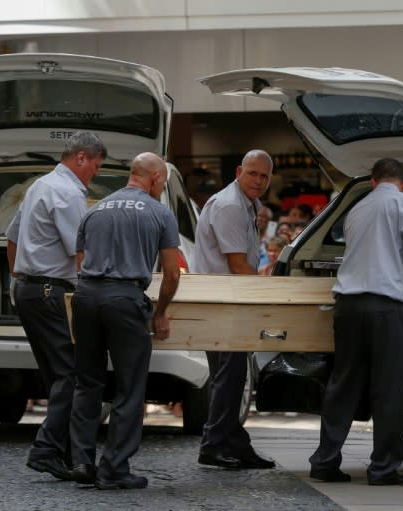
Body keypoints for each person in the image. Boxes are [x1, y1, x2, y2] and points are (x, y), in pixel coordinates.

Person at [308, 158, 403, 486]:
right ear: (402, 182)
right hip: (385, 306)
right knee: (387, 389)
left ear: (374, 181)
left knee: (343, 385)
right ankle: (382, 468)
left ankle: (324, 461)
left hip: (347, 306)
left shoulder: (357, 208)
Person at [69, 152, 181, 490]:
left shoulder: (95, 209)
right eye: (163, 182)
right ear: (156, 179)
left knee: (87, 383)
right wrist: (160, 312)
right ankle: (114, 468)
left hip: (86, 297)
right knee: (130, 388)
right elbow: (172, 273)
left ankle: (82, 462)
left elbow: (80, 259)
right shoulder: (160, 213)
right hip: (125, 300)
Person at [6, 130, 107, 481]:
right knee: (73, 375)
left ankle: (62, 449)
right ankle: (47, 448)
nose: (96, 172)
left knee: (57, 376)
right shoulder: (68, 194)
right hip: (50, 291)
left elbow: (12, 237)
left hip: (29, 291)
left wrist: (17, 279)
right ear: (81, 158)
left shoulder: (39, 185)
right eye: (96, 165)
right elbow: (79, 253)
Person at [191, 149, 276, 470]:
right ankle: (212, 444)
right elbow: (238, 265)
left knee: (230, 375)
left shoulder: (244, 204)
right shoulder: (229, 205)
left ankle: (236, 443)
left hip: (228, 298)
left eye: (264, 176)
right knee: (230, 375)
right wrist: (270, 293)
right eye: (252, 173)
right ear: (239, 171)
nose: (258, 180)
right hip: (223, 300)